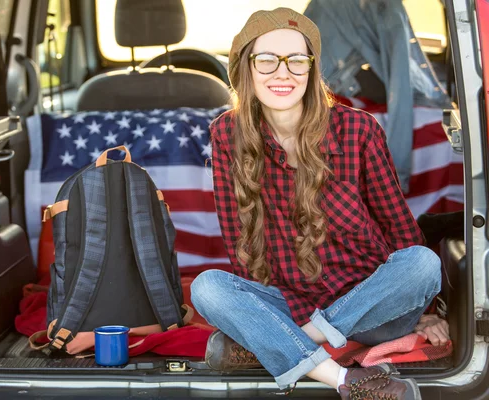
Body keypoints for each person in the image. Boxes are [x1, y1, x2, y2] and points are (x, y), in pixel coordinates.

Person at [190, 7, 450, 400]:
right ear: (246, 70)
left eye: (297, 60)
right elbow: (240, 245)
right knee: (208, 288)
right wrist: (261, 312)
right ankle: (347, 382)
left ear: (311, 70)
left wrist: (424, 307)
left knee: (423, 263)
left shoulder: (357, 129)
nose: (283, 72)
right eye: (267, 60)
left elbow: (400, 230)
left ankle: (288, 344)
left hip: (370, 306)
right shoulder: (227, 133)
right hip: (291, 302)